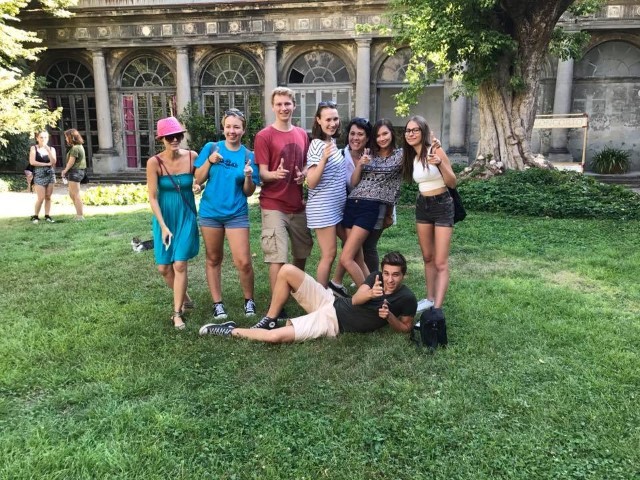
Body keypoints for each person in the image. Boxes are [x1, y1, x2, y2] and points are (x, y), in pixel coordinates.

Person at [199, 251, 417, 343]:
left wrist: (389, 317)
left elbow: (406, 328)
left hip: (333, 323)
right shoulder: (375, 277)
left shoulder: (407, 298)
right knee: (286, 270)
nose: (389, 279)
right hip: (330, 301)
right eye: (387, 273)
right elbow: (356, 300)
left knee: (275, 338)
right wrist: (369, 293)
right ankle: (270, 318)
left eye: (395, 275)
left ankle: (228, 330)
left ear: (403, 275)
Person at [194, 108, 262, 320]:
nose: (232, 131)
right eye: (228, 127)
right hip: (210, 213)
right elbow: (198, 178)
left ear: (243, 130)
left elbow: (248, 192)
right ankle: (218, 304)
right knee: (213, 258)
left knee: (243, 262)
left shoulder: (249, 156)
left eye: (237, 127)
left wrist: (248, 176)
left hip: (236, 213)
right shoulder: (211, 147)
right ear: (223, 128)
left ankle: (249, 300)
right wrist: (209, 161)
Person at [253, 87, 312, 326]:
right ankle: (277, 307)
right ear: (273, 107)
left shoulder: (302, 134)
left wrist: (303, 174)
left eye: (287, 104)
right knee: (277, 256)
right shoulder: (264, 136)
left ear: (294, 106)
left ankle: (295, 290)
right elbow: (262, 172)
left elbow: (307, 164)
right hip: (273, 203)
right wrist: (274, 174)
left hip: (297, 204)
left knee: (302, 253)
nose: (283, 108)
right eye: (279, 104)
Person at [402, 115, 457, 323]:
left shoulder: (435, 150)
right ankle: (430, 298)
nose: (411, 133)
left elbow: (452, 182)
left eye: (415, 130)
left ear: (423, 131)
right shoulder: (411, 155)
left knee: (440, 261)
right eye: (408, 130)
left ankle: (437, 310)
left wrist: (440, 163)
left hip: (442, 204)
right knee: (427, 257)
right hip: (422, 206)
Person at [146, 116, 200, 330]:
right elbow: (152, 197)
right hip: (165, 217)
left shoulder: (192, 157)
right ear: (162, 139)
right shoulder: (154, 162)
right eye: (170, 137)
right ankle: (185, 298)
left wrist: (199, 186)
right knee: (163, 268)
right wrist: (163, 226)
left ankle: (177, 313)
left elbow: (201, 179)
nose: (175, 139)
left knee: (180, 264)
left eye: (178, 135)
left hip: (186, 215)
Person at [338, 119, 403, 288]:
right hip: (353, 204)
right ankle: (366, 282)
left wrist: (389, 212)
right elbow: (354, 183)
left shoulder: (399, 156)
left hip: (377, 207)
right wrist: (360, 164)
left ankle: (373, 284)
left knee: (368, 246)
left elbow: (393, 185)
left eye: (385, 134)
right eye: (378, 135)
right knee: (354, 248)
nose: (382, 138)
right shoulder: (367, 155)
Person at [305, 101, 346, 287]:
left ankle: (336, 284)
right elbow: (311, 181)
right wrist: (323, 159)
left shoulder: (331, 142)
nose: (332, 123)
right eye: (328, 119)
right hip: (323, 208)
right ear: (318, 120)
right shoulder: (316, 144)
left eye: (335, 119)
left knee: (350, 246)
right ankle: (320, 297)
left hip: (336, 208)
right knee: (329, 254)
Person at [28, 130, 57, 224]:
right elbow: (32, 162)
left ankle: (47, 215)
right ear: (37, 138)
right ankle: (36, 216)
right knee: (41, 198)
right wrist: (46, 164)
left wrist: (48, 150)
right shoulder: (34, 148)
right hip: (39, 174)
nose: (43, 139)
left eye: (45, 137)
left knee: (48, 196)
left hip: (50, 174)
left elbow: (53, 162)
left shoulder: (51, 149)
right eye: (41, 137)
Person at [60, 128, 86, 221]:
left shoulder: (75, 148)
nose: (66, 139)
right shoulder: (79, 146)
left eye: (67, 137)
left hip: (75, 172)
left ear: (71, 137)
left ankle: (80, 216)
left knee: (75, 194)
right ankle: (78, 214)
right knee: (72, 194)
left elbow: (71, 162)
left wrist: (65, 171)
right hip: (77, 172)